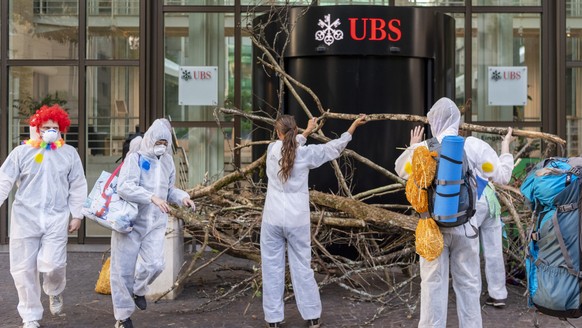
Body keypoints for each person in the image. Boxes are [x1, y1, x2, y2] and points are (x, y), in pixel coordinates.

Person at [394, 97, 513, 328]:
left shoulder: (422, 148)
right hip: (466, 228)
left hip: (432, 230)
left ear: (433, 121)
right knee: (468, 284)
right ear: (457, 121)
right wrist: (505, 150)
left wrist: (413, 145)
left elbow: (402, 171)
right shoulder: (473, 146)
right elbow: (501, 176)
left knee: (432, 285)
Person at [261, 114, 367, 328]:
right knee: (302, 267)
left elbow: (290, 146)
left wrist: (306, 132)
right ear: (296, 130)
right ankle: (312, 317)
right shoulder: (306, 155)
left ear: (277, 133)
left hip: (272, 219)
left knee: (272, 269)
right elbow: (333, 149)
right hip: (297, 221)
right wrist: (352, 127)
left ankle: (273, 319)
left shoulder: (272, 150)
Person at [0, 104, 88, 328]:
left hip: (56, 217)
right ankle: (30, 316)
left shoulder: (69, 154)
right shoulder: (21, 153)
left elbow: (78, 184)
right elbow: (4, 179)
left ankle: (54, 291)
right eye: (46, 127)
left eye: (55, 127)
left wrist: (77, 214)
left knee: (53, 264)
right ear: (36, 128)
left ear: (62, 130)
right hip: (25, 218)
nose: (50, 131)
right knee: (23, 269)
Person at [110, 118, 195, 328]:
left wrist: (182, 197)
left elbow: (169, 190)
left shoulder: (166, 161)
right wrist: (151, 197)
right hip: (130, 222)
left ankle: (138, 289)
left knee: (156, 264)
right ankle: (122, 317)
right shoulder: (135, 159)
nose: (162, 147)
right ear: (150, 139)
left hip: (155, 222)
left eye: (165, 144)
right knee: (122, 270)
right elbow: (124, 187)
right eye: (159, 142)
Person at [476, 128, 514, 308]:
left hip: (472, 202)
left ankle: (472, 292)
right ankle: (498, 294)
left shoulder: (453, 147)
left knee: (469, 249)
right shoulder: (479, 147)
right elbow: (502, 176)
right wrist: (505, 144)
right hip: (490, 200)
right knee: (494, 249)